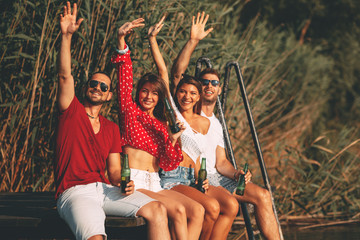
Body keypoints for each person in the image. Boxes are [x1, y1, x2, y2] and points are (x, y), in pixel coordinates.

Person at [54, 2, 170, 240]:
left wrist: (124, 183)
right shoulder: (71, 112)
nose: (97, 87)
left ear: (108, 95)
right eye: (93, 84)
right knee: (96, 237)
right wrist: (66, 36)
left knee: (158, 209)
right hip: (74, 192)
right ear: (86, 88)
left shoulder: (111, 128)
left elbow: (115, 171)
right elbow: (65, 75)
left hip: (105, 189)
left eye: (103, 86)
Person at [171, 11, 281, 240]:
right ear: (197, 88)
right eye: (204, 82)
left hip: (220, 177)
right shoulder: (188, 108)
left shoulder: (216, 123)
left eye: (215, 83)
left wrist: (238, 172)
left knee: (263, 195)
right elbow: (177, 75)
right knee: (229, 205)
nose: (209, 86)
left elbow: (221, 162)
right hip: (199, 177)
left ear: (220, 89)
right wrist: (193, 41)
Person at [111, 16, 204, 240]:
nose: (149, 96)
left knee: (194, 210)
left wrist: (172, 139)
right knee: (179, 210)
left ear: (159, 96)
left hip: (156, 182)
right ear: (138, 92)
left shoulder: (162, 125)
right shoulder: (130, 113)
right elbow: (125, 78)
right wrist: (122, 40)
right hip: (134, 181)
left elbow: (169, 162)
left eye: (154, 93)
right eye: (144, 91)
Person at [149, 13, 241, 240]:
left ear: (199, 96)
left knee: (219, 207)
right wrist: (153, 40)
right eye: (182, 91)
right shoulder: (173, 114)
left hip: (194, 177)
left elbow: (208, 158)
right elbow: (166, 73)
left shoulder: (207, 122)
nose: (186, 97)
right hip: (173, 177)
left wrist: (207, 178)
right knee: (210, 207)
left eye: (192, 93)